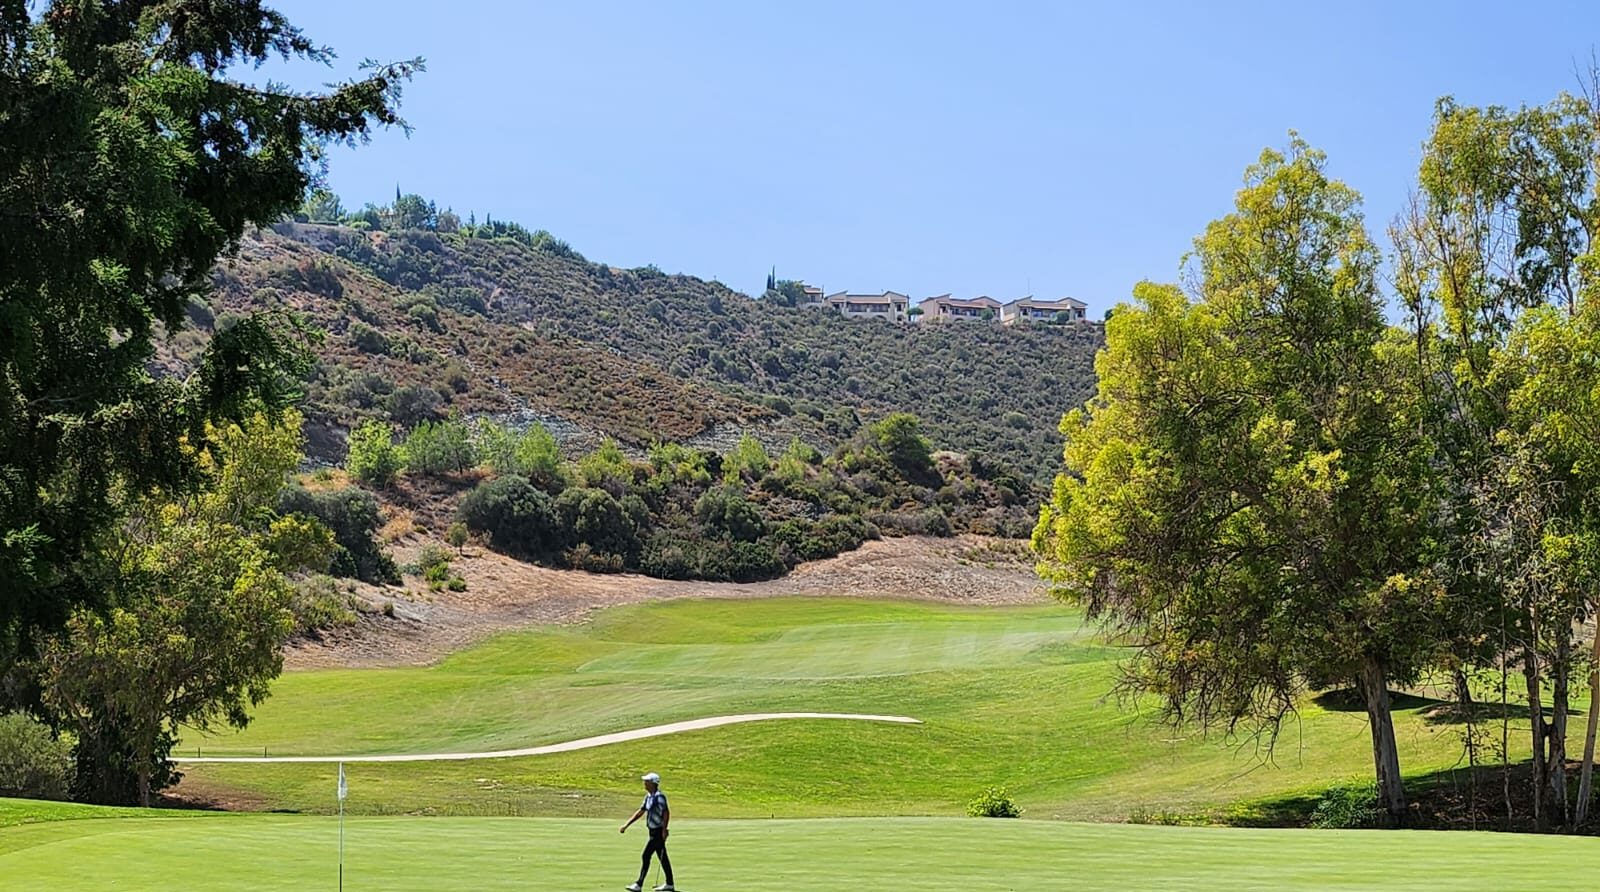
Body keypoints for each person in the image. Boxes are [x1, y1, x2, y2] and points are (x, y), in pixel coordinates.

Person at [620, 771, 674, 892]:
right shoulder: (648, 797)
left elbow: (666, 812)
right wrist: (627, 825)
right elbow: (640, 811)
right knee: (663, 857)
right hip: (652, 831)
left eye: (647, 781)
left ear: (653, 783)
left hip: (658, 832)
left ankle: (639, 884)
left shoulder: (659, 797)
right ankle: (670, 884)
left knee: (646, 855)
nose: (644, 783)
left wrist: (664, 829)